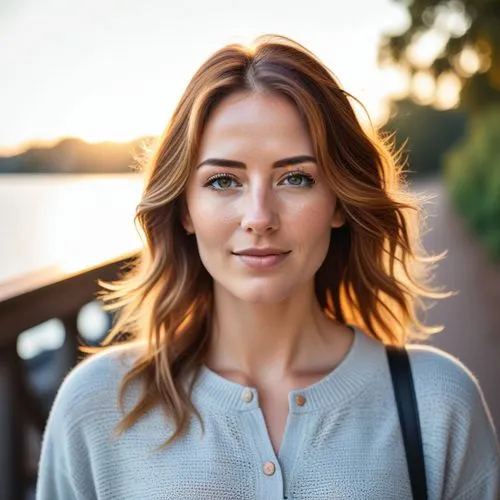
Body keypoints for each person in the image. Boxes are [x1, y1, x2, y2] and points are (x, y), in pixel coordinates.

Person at [36, 34, 499, 499]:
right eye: (222, 180)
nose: (259, 217)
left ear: (338, 200)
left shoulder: (439, 403)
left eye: (296, 178)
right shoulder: (95, 407)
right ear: (184, 209)